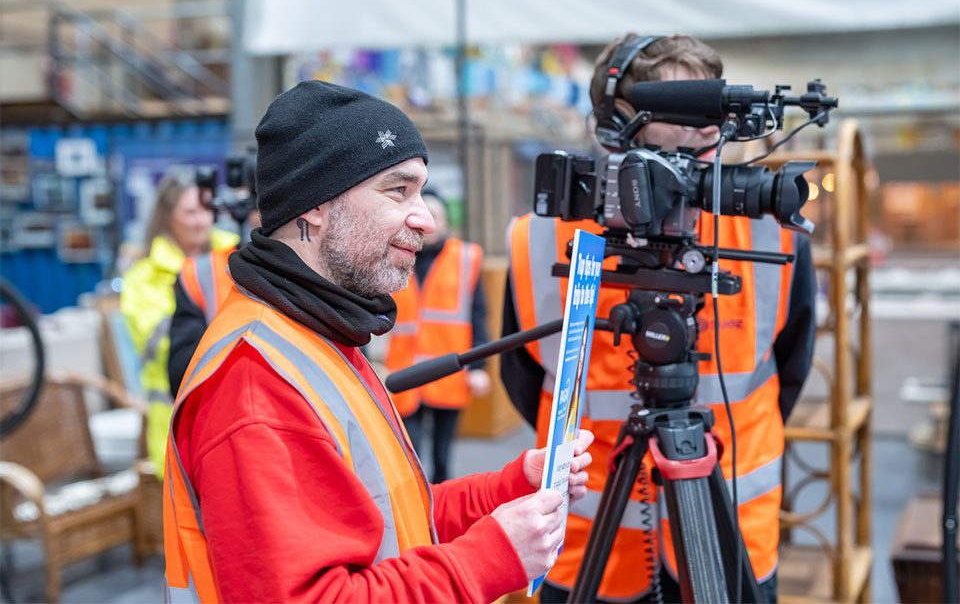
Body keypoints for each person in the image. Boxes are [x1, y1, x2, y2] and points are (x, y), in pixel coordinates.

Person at [162, 80, 595, 603]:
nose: (427, 219)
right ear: (316, 205)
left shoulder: (314, 334)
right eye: (398, 190)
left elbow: (389, 513)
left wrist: (510, 486)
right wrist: (492, 557)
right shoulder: (258, 384)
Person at [501, 34, 817, 603]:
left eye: (711, 104)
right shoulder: (541, 237)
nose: (705, 125)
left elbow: (790, 366)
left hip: (730, 537)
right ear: (616, 119)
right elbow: (523, 379)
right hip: (589, 543)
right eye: (682, 105)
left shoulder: (770, 229)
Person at [120, 175, 238, 476]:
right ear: (167, 216)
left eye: (206, 208)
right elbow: (164, 349)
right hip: (181, 419)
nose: (201, 221)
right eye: (190, 212)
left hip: (238, 412)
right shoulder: (144, 277)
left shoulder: (237, 254)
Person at [385, 190, 491, 483]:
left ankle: (442, 515)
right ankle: (417, 516)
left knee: (442, 458)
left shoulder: (466, 258)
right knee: (410, 455)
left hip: (448, 371)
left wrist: (479, 368)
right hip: (404, 373)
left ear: (443, 222)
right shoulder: (391, 256)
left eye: (435, 215)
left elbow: (478, 315)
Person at [167, 196, 261, 396]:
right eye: (190, 212)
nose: (199, 221)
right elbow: (180, 375)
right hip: (217, 407)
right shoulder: (198, 273)